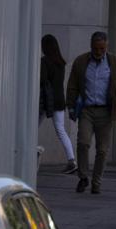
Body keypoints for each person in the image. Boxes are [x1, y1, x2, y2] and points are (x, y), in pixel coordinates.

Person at [66, 31, 116, 194]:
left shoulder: (114, 62)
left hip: (106, 111)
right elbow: (72, 85)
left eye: (101, 49)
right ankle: (83, 176)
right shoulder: (81, 62)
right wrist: (71, 106)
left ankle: (96, 181)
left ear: (106, 47)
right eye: (95, 48)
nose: (98, 52)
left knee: (102, 150)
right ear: (91, 46)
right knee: (83, 142)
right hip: (87, 109)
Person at [39, 34, 77, 173]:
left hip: (46, 100)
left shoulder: (44, 62)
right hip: (60, 99)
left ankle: (29, 155)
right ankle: (71, 160)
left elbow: (42, 80)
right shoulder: (61, 62)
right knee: (61, 130)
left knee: (32, 127)